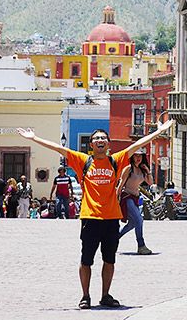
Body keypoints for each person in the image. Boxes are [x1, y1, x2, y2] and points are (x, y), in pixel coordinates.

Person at [17, 119, 173, 309]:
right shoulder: (83, 161)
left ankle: (106, 295)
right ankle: (85, 296)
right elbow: (59, 149)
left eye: (103, 138)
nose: (100, 140)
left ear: (108, 144)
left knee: (109, 260)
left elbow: (137, 145)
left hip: (111, 218)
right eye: (96, 138)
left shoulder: (116, 160)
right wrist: (34, 138)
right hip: (90, 218)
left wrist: (159, 132)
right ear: (91, 145)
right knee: (86, 260)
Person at [117, 149, 154, 255]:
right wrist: (114, 201)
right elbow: (120, 186)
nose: (138, 158)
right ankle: (141, 245)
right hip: (126, 197)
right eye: (135, 156)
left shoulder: (142, 170)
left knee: (133, 223)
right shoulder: (128, 169)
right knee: (139, 219)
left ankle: (114, 238)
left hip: (135, 198)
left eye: (140, 156)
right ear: (132, 157)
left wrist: (147, 171)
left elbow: (150, 182)